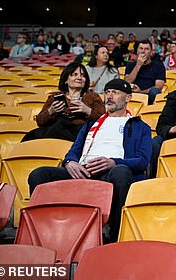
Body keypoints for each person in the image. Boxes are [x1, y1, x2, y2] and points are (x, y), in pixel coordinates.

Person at [28, 79, 152, 243]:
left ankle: (115, 238)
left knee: (121, 172)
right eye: (107, 92)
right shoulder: (92, 124)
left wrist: (113, 162)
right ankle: (43, 235)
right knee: (39, 174)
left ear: (128, 98)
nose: (109, 96)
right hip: (83, 171)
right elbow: (73, 151)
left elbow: (143, 161)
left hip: (111, 172)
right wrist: (70, 162)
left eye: (115, 92)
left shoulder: (140, 126)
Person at [124, 40, 165, 105]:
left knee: (154, 91)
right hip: (131, 93)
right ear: (137, 51)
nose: (143, 51)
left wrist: (140, 92)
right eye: (141, 48)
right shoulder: (130, 64)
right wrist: (138, 65)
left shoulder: (159, 66)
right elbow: (127, 82)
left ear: (151, 52)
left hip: (149, 95)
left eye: (146, 49)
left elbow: (159, 86)